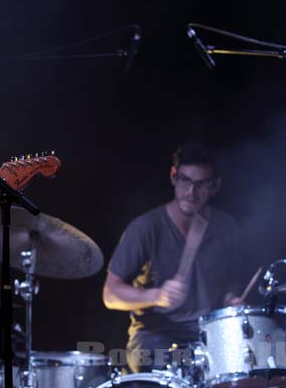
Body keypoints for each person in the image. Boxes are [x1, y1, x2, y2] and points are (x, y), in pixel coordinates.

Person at [102, 142, 244, 373]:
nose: (191, 192)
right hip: (154, 337)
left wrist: (232, 298)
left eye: (201, 184)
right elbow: (110, 295)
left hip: (210, 335)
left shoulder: (227, 227)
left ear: (215, 186)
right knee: (172, 365)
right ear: (173, 177)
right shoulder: (146, 228)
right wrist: (156, 295)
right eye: (186, 180)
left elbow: (232, 281)